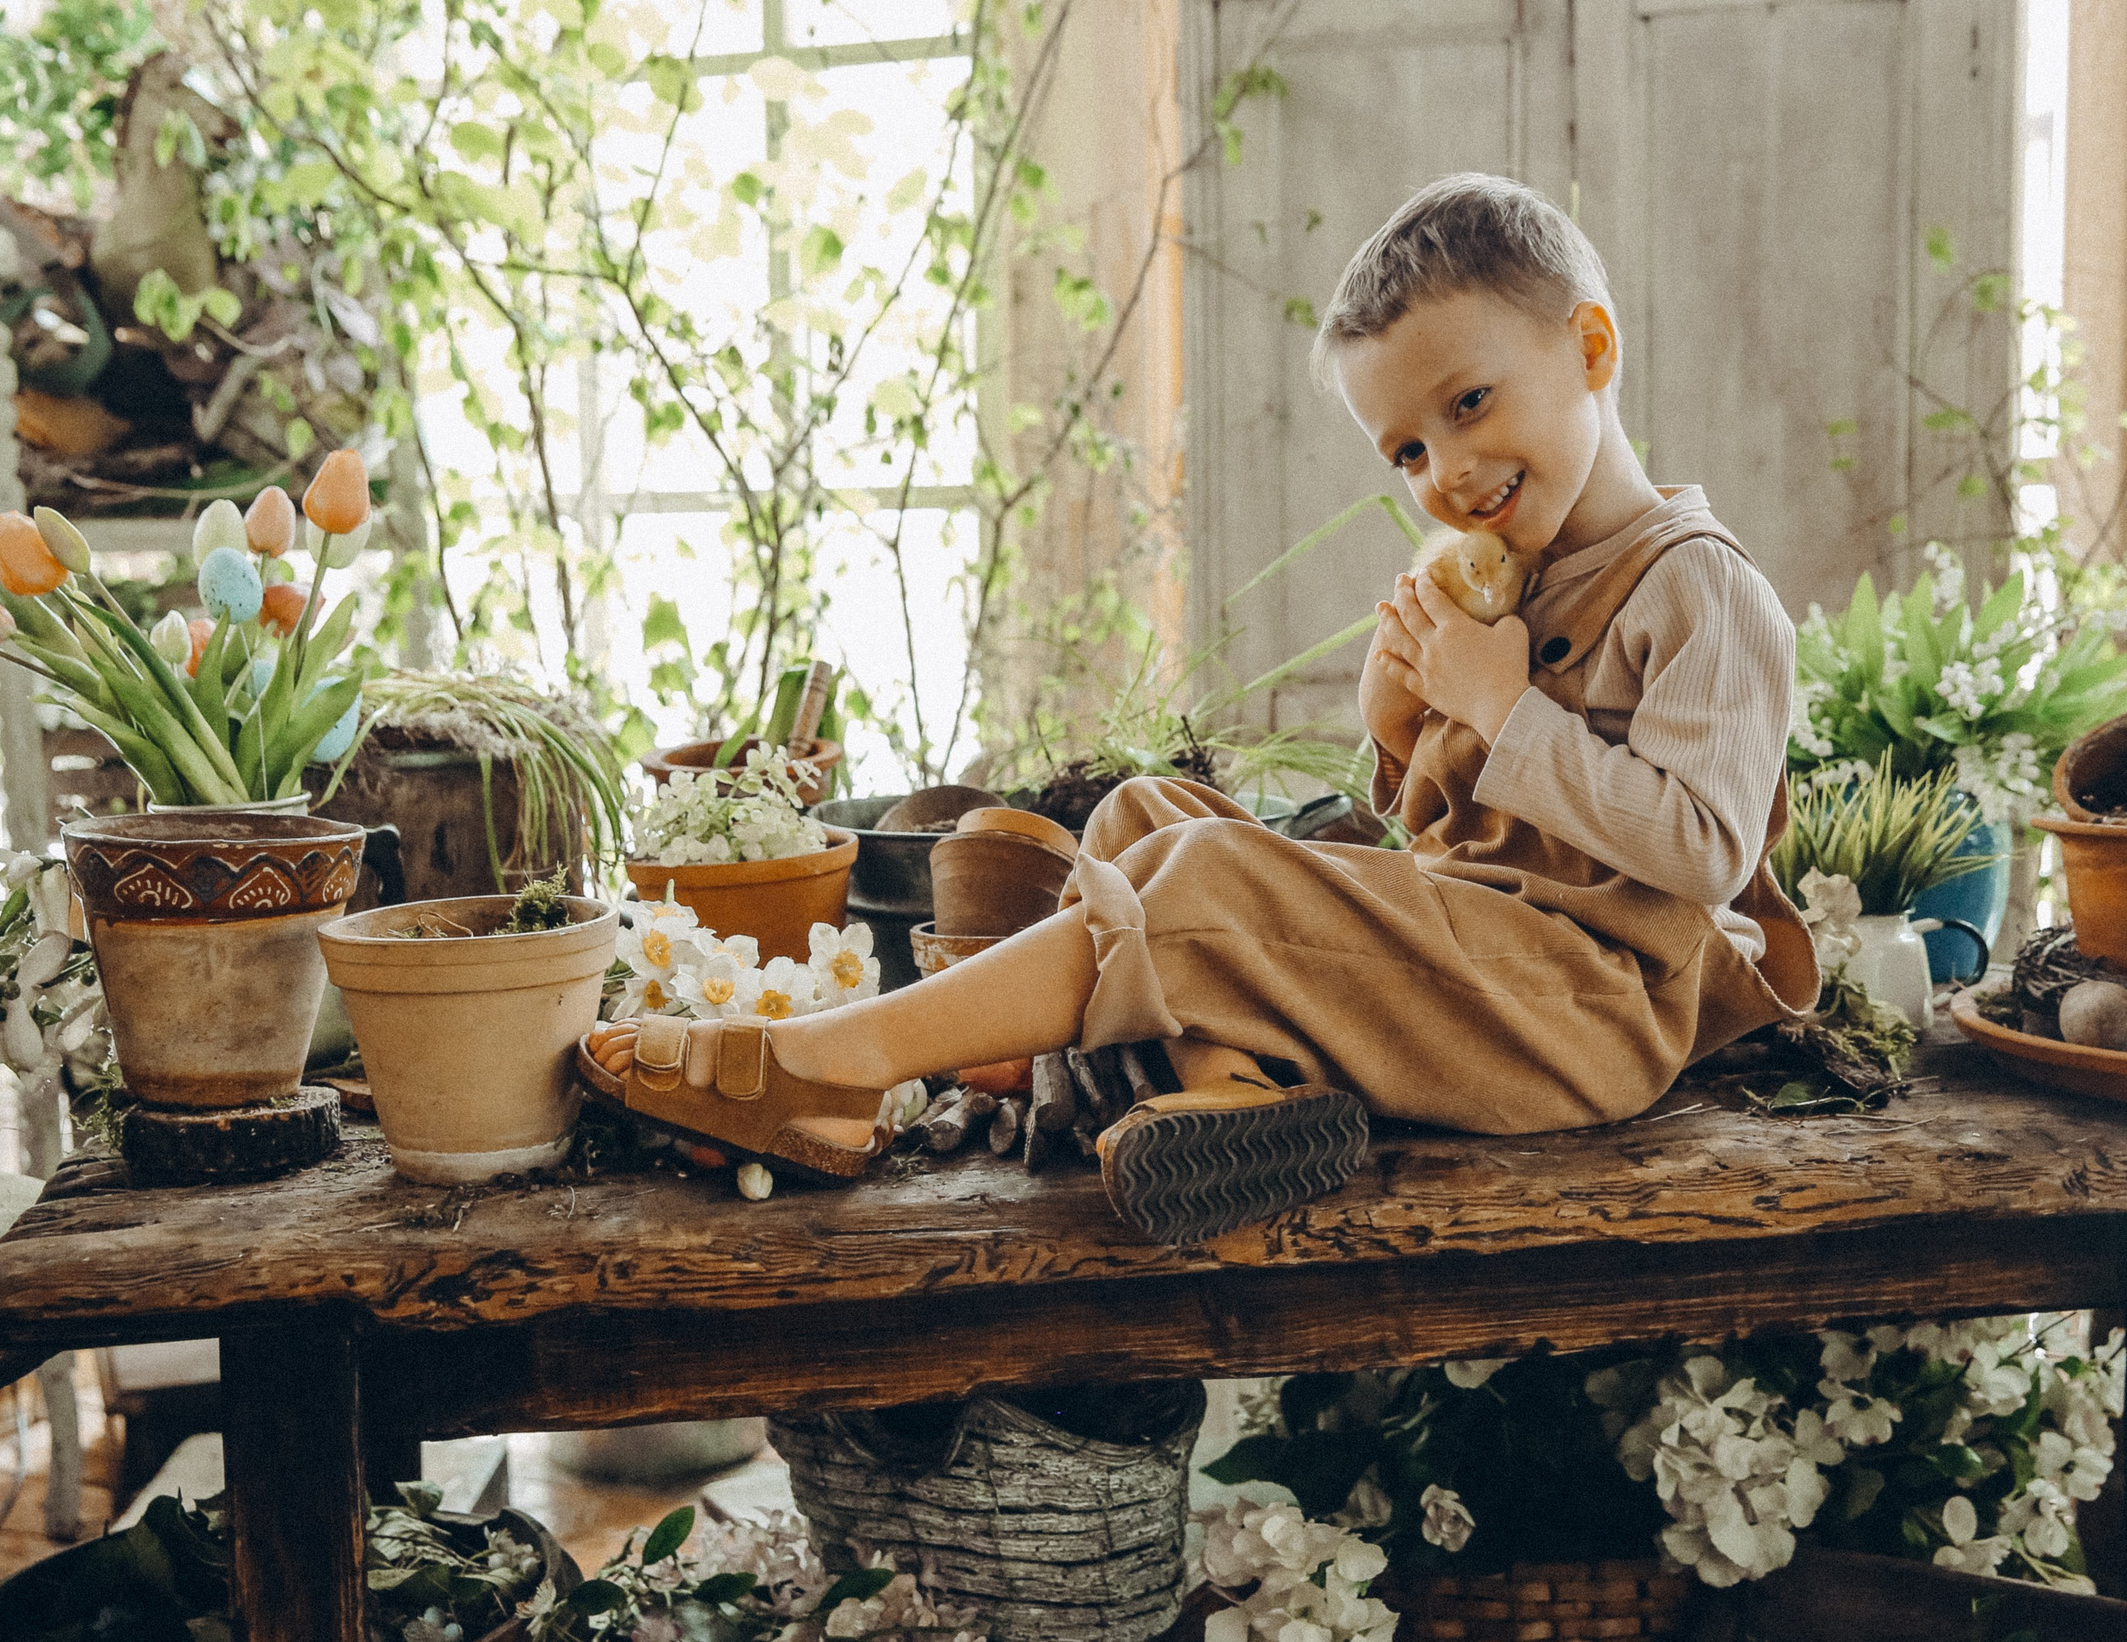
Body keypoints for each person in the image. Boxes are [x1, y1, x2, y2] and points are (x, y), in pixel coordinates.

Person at [583, 173, 1817, 1244]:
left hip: (1586, 1010)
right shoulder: (1508, 579)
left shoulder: (1697, 587)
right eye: (1403, 451)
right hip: (1488, 966)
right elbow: (1456, 852)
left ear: (1591, 350)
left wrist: (1503, 712)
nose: (1444, 473)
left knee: (1208, 877)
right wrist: (1404, 735)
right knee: (1142, 816)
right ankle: (1240, 1095)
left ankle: (838, 1060)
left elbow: (1701, 851)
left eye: (1469, 405)